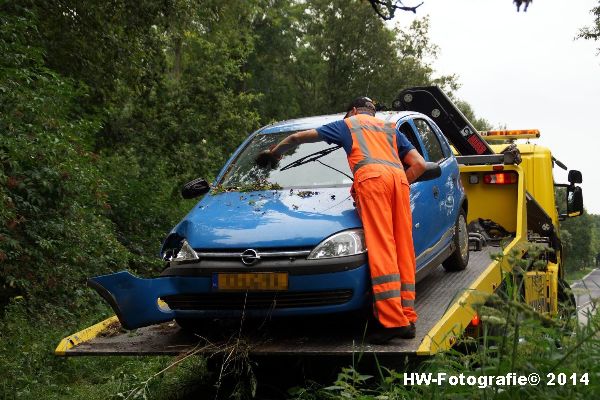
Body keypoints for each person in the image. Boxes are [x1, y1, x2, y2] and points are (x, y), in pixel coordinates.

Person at [256, 97, 426, 344]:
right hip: (400, 181)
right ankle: (407, 317)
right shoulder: (390, 129)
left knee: (382, 247)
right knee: (403, 247)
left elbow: (297, 139)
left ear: (353, 111)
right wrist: (398, 184)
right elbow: (419, 164)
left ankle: (392, 322)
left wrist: (274, 154)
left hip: (373, 181)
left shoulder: (349, 124)